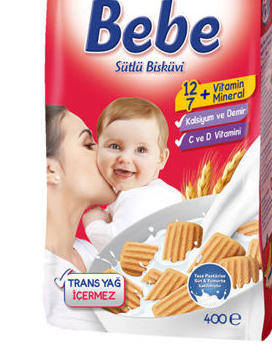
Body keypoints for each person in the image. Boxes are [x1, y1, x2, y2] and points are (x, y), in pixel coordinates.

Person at [44, 105, 116, 331]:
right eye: (88, 145)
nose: (106, 153)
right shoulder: (42, 282)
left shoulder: (94, 251)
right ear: (50, 170)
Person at [83, 97, 182, 251]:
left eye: (141, 150)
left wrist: (94, 224)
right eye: (115, 146)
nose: (126, 158)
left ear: (161, 159)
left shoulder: (138, 198)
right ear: (97, 149)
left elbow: (118, 246)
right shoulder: (162, 192)